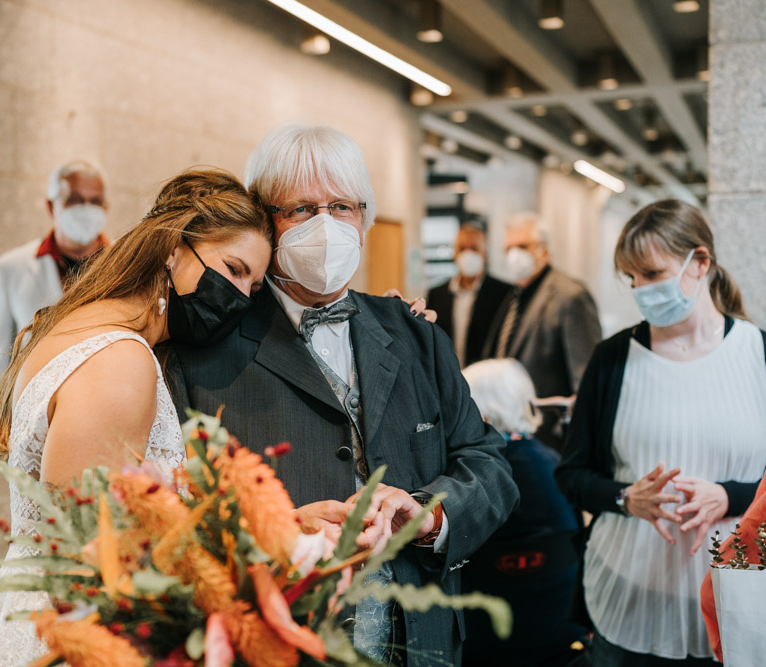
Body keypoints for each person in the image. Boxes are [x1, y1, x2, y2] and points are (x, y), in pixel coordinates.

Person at [166, 123, 518, 666]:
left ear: (365, 218)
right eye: (301, 209)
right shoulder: (206, 353)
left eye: (342, 207)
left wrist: (429, 516)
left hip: (421, 644)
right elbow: (170, 514)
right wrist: (277, 534)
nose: (326, 224)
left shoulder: (416, 334)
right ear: (266, 223)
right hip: (280, 643)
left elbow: (488, 463)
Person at [0, 167, 273, 667]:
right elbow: (92, 561)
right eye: (234, 269)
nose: (240, 297)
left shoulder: (87, 324)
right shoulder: (119, 360)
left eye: (254, 287)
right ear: (174, 248)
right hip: (79, 638)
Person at [555, 199, 766, 665]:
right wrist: (627, 498)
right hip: (627, 597)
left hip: (740, 595)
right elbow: (571, 475)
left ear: (701, 262)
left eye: (651, 273)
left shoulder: (764, 357)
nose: (640, 289)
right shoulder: (612, 360)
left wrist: (729, 497)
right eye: (632, 278)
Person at [461, 358, 586, 666]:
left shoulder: (480, 475)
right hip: (562, 630)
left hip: (491, 639)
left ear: (480, 413)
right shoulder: (554, 462)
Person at [0, 159, 111, 428]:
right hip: (40, 424)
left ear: (106, 208)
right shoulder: (10, 270)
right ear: (51, 207)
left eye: (95, 201)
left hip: (111, 415)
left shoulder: (127, 263)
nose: (86, 208)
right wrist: (0, 441)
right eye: (74, 200)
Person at [483, 212, 601, 452]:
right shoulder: (515, 294)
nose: (514, 255)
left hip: (551, 442)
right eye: (509, 249)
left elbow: (588, 381)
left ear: (543, 250)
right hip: (511, 438)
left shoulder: (570, 297)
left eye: (522, 246)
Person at [426, 223, 512, 367]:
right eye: (462, 248)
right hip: (447, 375)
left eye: (474, 248)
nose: (468, 254)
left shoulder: (503, 293)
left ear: (484, 254)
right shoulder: (437, 294)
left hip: (486, 375)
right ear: (455, 254)